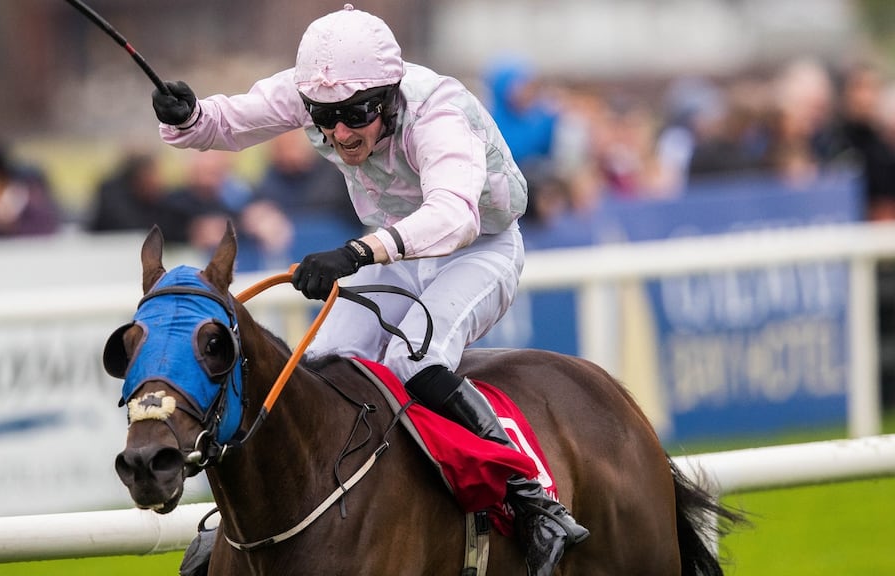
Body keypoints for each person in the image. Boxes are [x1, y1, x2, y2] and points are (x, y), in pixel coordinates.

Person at [150, 5, 588, 574]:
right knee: (321, 369)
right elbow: (228, 123)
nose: (338, 132)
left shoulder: (438, 111)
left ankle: (534, 501)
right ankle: (244, 526)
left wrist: (358, 252)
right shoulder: (318, 92)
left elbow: (454, 216)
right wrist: (188, 116)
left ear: (388, 95)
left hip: (479, 248)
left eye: (355, 114)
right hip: (396, 253)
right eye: (323, 117)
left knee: (413, 361)